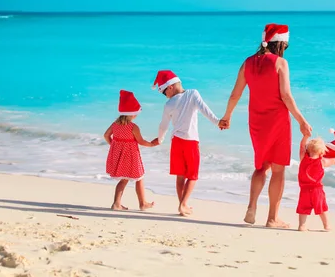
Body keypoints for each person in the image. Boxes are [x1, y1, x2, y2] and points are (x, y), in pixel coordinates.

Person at [220, 23, 312, 228]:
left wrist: (227, 116)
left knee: (261, 166)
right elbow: (286, 96)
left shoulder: (247, 62)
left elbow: (235, 94)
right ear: (280, 44)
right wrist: (302, 121)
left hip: (256, 121)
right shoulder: (280, 63)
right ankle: (272, 218)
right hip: (277, 121)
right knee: (278, 170)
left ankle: (251, 207)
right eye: (285, 46)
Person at [151, 70, 221, 216]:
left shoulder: (169, 104)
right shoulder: (192, 94)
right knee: (193, 175)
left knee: (180, 175)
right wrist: (218, 122)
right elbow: (205, 110)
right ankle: (183, 204)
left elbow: (163, 125)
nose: (165, 96)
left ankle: (182, 204)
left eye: (164, 92)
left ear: (170, 87)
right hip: (190, 141)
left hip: (176, 141)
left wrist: (160, 139)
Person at [104, 90, 159, 211]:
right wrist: (152, 144)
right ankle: (142, 203)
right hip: (131, 157)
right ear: (132, 114)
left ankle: (117, 203)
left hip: (118, 155)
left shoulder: (115, 124)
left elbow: (106, 135)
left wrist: (114, 145)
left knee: (124, 180)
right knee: (139, 178)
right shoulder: (133, 127)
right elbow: (140, 141)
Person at [296, 135, 335, 232]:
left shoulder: (303, 158)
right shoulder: (322, 161)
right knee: (322, 208)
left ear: (307, 150)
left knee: (303, 208)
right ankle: (326, 225)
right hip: (317, 190)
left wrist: (305, 137)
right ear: (321, 152)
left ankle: (302, 226)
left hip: (304, 190)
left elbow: (301, 146)